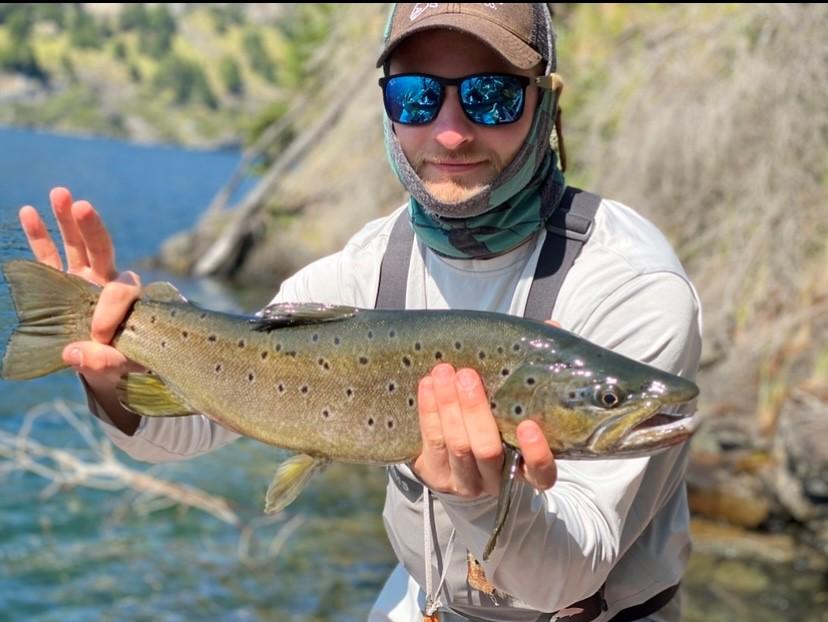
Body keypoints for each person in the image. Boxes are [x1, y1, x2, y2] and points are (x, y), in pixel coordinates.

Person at [18, 4, 702, 621]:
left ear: (546, 106)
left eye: (492, 97)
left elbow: (567, 575)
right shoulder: (361, 270)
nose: (452, 131)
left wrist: (484, 500)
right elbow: (202, 424)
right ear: (388, 111)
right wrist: (116, 368)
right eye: (417, 96)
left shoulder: (631, 288)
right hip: (424, 604)